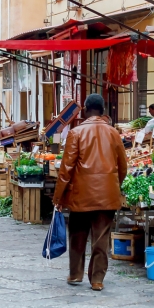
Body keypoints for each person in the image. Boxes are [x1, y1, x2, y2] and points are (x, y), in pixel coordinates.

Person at [53, 94, 127, 291]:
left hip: (80, 195)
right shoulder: (113, 133)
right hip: (107, 195)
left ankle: (76, 274)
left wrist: (58, 197)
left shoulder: (76, 133)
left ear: (85, 109)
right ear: (102, 110)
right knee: (101, 237)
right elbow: (123, 167)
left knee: (77, 234)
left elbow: (66, 169)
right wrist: (112, 183)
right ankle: (97, 280)